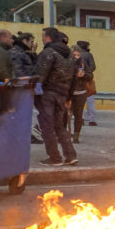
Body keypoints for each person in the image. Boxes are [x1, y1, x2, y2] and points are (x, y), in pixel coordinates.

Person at [34, 27, 77, 166]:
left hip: (48, 94)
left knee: (47, 126)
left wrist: (35, 92)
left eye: (43, 36)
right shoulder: (70, 55)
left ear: (48, 38)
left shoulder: (48, 53)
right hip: (63, 94)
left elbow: (40, 74)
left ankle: (54, 157)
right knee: (59, 125)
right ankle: (70, 155)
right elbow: (74, 78)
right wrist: (69, 96)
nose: (42, 39)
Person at [70, 46, 93, 143]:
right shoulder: (66, 63)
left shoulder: (83, 64)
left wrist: (84, 75)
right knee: (64, 115)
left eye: (78, 55)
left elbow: (90, 75)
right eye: (74, 55)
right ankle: (63, 134)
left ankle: (76, 136)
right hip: (68, 93)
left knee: (78, 115)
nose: (76, 57)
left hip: (81, 92)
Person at [76, 40, 99, 126]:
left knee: (79, 102)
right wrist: (87, 72)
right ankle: (91, 119)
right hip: (88, 81)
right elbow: (93, 67)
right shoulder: (88, 55)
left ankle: (80, 119)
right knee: (90, 101)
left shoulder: (74, 55)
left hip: (78, 82)